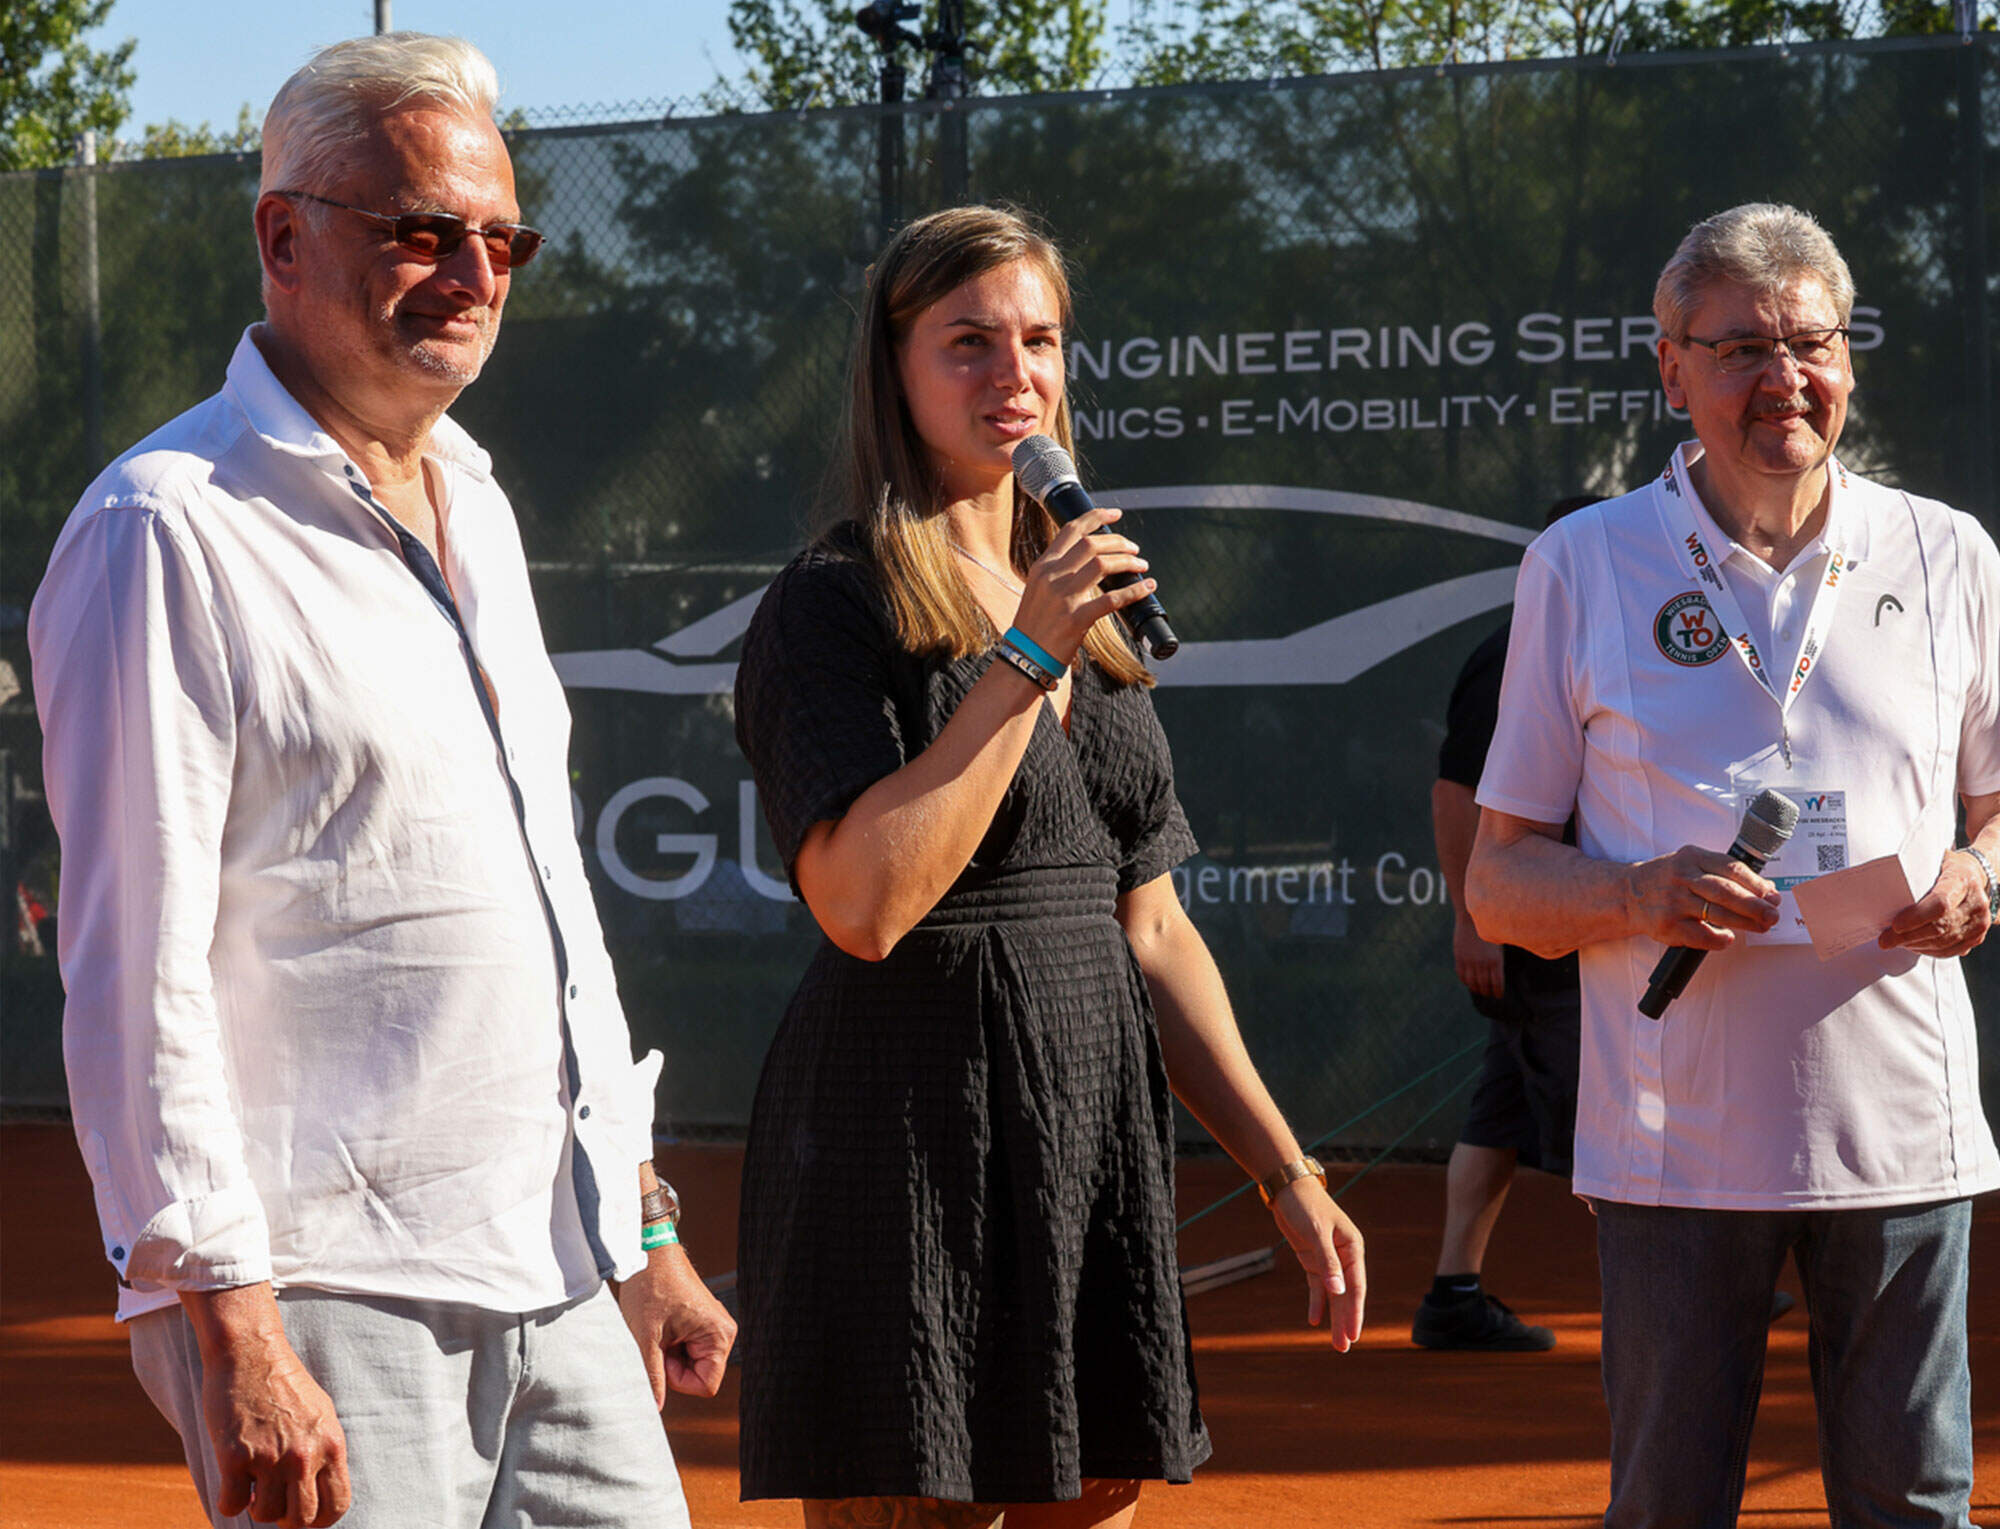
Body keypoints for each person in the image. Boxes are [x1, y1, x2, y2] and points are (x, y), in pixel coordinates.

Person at [28, 34, 733, 1529]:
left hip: (553, 1261)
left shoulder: (475, 499)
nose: (472, 274)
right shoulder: (165, 527)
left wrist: (640, 1215)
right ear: (283, 234)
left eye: (502, 240)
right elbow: (131, 970)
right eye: (421, 230)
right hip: (322, 1289)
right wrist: (230, 1315)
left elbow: (552, 904)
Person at [731, 204, 1368, 1529]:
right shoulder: (833, 604)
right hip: (904, 1147)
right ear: (892, 369)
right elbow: (862, 903)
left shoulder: (1091, 616)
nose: (1011, 375)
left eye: (1038, 340)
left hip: (1086, 1142)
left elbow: (1153, 928)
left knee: (1102, 1497)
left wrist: (1285, 1170)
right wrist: (1023, 659)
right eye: (967, 342)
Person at [1466, 202, 1998, 1527]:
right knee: (1667, 1506)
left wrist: (1984, 871)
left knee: (1915, 1505)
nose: (1784, 379)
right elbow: (1500, 881)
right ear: (1672, 368)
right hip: (1674, 1151)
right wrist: (1643, 889)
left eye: (1810, 343)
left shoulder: (1949, 553)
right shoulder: (1581, 565)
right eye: (1741, 348)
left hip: (1901, 1142)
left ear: (1851, 359)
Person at [1413, 496, 1596, 1353]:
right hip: (1537, 940)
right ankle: (1686, 1293)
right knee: (1618, 1117)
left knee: (1498, 1112)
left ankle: (1453, 1293)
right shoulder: (1517, 652)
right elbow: (1457, 794)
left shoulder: (1582, 640)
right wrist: (1475, 921)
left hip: (1567, 933)